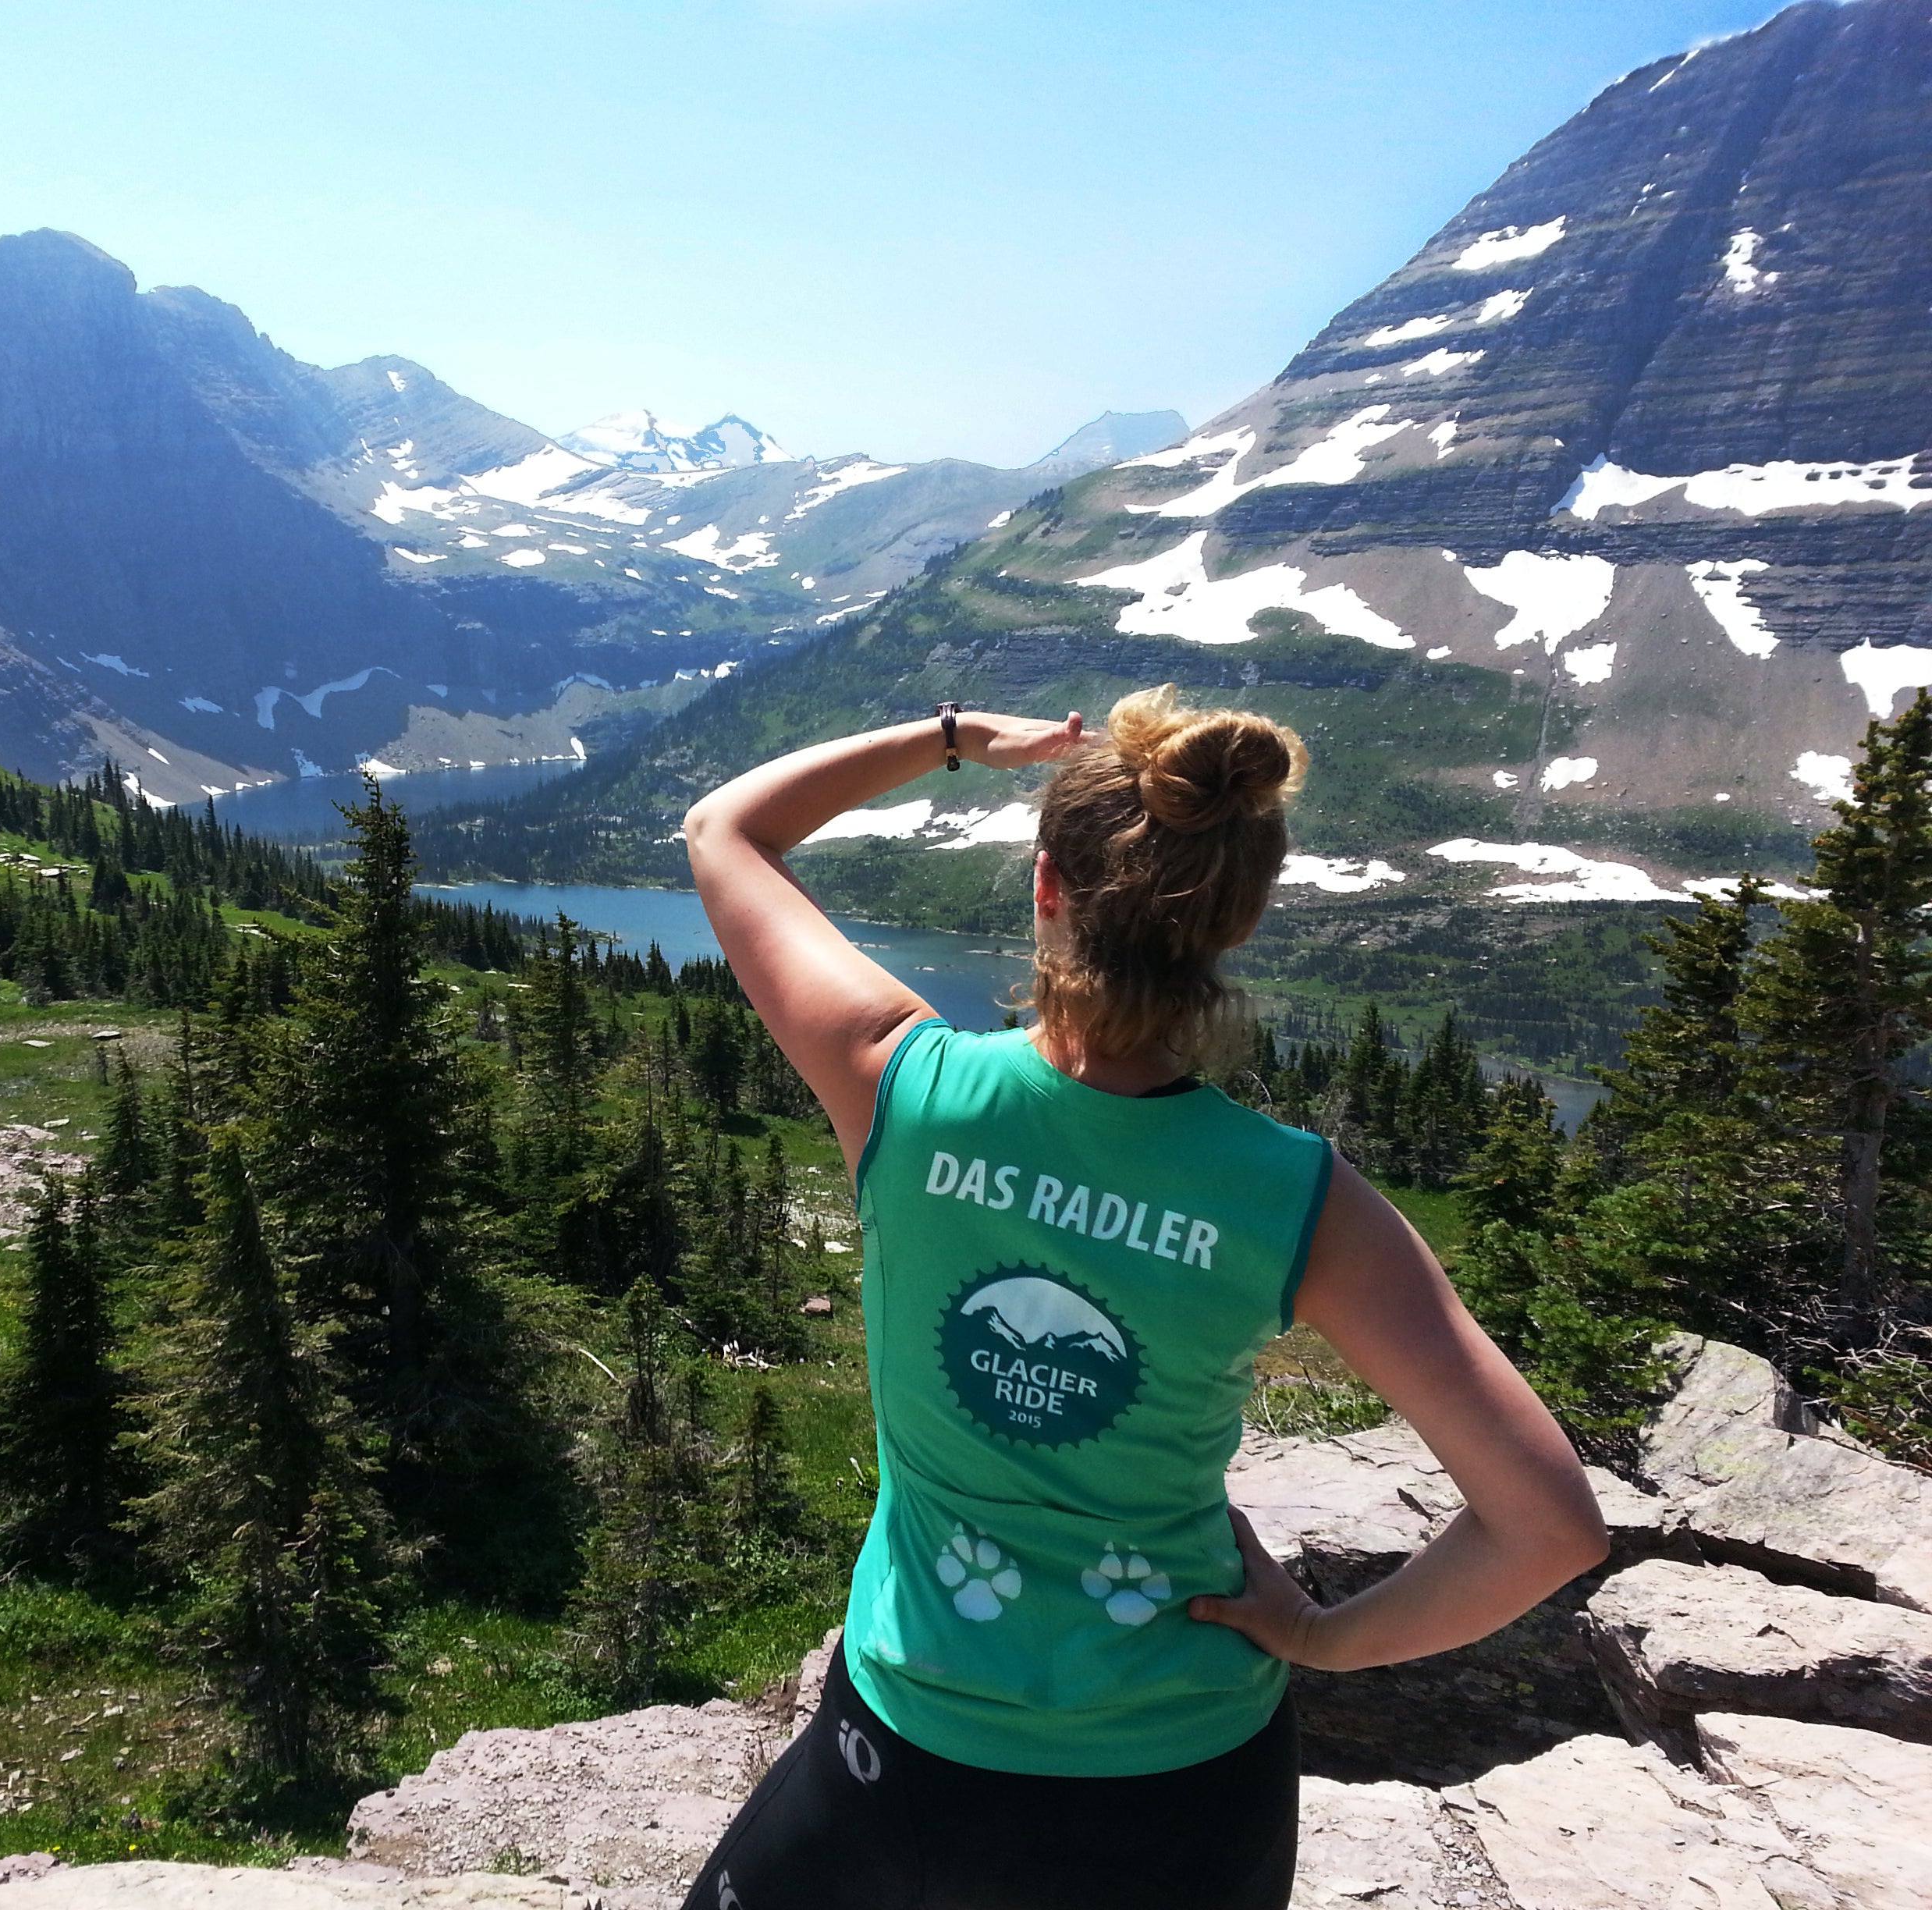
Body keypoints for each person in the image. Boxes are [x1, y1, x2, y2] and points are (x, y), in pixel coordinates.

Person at [677, 688, 1607, 1910]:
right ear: (1241, 918)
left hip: (910, 1743)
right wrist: (1324, 1637)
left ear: (1045, 888)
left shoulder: (901, 1086)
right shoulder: (1296, 1199)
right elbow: (1550, 1528)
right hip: (1182, 1789)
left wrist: (954, 738)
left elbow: (725, 832)